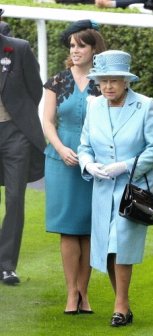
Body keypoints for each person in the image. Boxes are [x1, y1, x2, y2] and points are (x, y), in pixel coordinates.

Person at [78, 50, 153, 326]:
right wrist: (89, 164)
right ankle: (123, 305)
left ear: (126, 81)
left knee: (121, 243)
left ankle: (120, 305)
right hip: (103, 190)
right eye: (102, 81)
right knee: (110, 249)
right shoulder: (94, 107)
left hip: (132, 190)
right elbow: (84, 146)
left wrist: (126, 166)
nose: (107, 86)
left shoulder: (145, 105)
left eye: (113, 80)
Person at [42, 20, 106, 314]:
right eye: (72, 46)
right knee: (68, 230)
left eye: (81, 45)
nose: (75, 50)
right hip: (61, 161)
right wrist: (60, 148)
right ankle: (71, 294)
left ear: (94, 48)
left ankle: (85, 293)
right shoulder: (57, 81)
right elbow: (47, 121)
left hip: (95, 163)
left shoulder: (105, 81)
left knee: (89, 230)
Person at [0, 8, 46, 285]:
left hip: (15, 133)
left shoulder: (17, 48)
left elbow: (35, 89)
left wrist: (18, 116)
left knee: (15, 199)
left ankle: (6, 265)